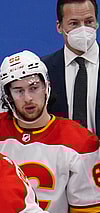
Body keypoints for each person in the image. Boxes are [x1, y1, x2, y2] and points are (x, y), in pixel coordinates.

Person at [0, 50, 100, 213]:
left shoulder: (79, 141)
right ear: (7, 96)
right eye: (18, 91)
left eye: (34, 87)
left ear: (47, 86)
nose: (28, 98)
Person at [42, 0, 100, 137]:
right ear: (59, 27)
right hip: (59, 155)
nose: (83, 29)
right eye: (74, 23)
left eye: (89, 22)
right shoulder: (44, 69)